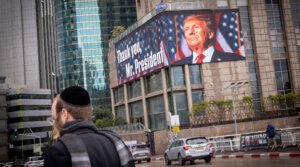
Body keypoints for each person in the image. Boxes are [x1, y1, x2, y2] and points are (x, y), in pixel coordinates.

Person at [44, 86, 134, 167]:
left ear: (64, 113)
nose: (54, 124)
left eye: (54, 118)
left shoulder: (59, 152)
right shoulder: (116, 142)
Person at [174, 14, 244, 64]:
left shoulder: (234, 58)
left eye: (196, 27)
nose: (191, 32)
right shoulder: (178, 64)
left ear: (210, 34)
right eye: (186, 29)